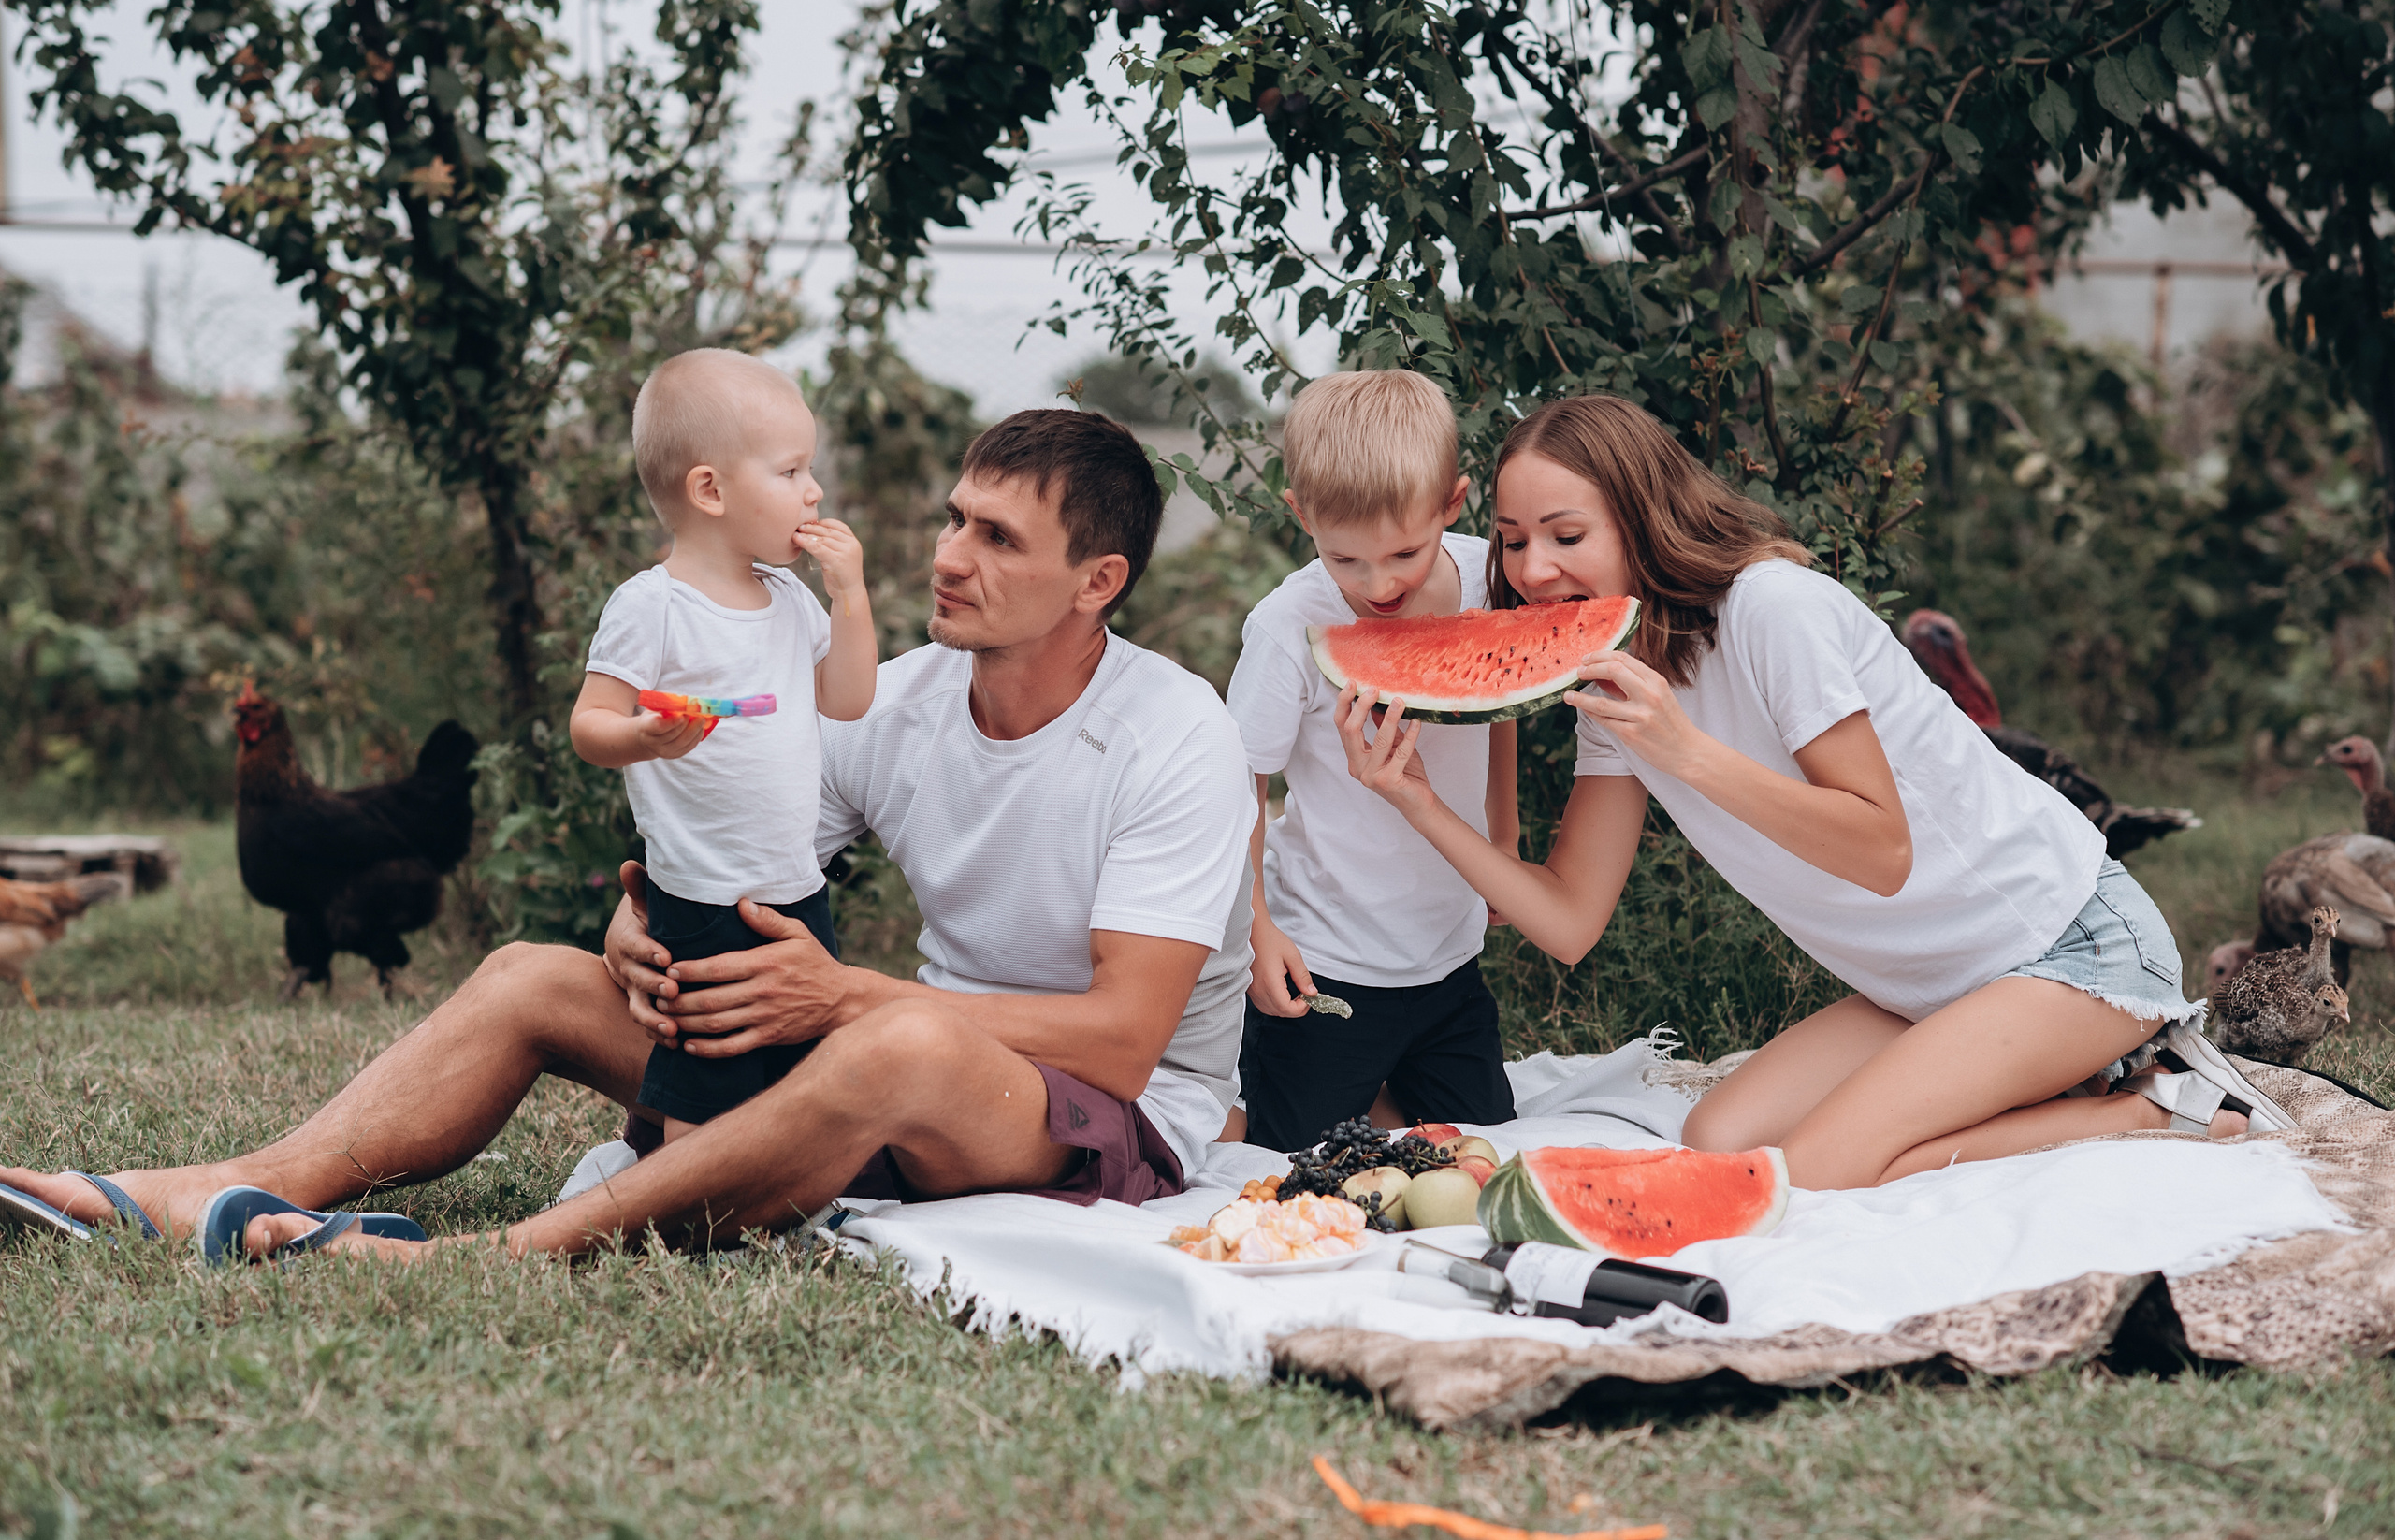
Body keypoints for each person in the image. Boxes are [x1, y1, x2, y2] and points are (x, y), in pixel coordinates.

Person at [0, 409, 1256, 1258]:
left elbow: (1127, 1040)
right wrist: (638, 921)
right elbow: (742, 852)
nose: (947, 556)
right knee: (530, 975)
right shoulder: (904, 698)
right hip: (890, 1061)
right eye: (953, 517)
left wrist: (847, 997)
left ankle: (497, 1260)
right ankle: (226, 1185)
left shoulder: (1169, 733)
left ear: (1098, 582)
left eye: (997, 537)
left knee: (907, 1037)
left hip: (1097, 1120)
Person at [1333, 393, 2294, 1193]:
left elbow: (1882, 849)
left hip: (2068, 944)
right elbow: (1570, 920)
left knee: (1823, 1167)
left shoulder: (1768, 610)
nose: (1531, 569)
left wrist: (1686, 749)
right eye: (1508, 541)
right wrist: (1416, 799)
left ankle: (2154, 1106)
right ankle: (2053, 1081)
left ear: (1641, 519)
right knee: (1718, 1140)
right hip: (1922, 984)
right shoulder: (1613, 683)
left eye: (1565, 534)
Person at [569, 349, 876, 1148]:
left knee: (799, 1066)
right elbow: (590, 724)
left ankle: (772, 1191)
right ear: (710, 490)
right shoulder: (653, 607)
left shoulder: (789, 598)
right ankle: (685, 1194)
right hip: (700, 892)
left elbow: (848, 698)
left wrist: (851, 598)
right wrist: (645, 736)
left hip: (794, 883)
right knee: (706, 1062)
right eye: (790, 471)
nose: (813, 491)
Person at [1226, 370, 1520, 1150]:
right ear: (1302, 515)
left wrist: (1507, 841)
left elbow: (1505, 703)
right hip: (1326, 959)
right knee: (1301, 1156)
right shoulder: (1288, 623)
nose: (1379, 584)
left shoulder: (1489, 584)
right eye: (1345, 559)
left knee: (1482, 1151)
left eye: (1404, 553)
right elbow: (1239, 786)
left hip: (1451, 961)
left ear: (1453, 505)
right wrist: (1257, 929)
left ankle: (1388, 1094)